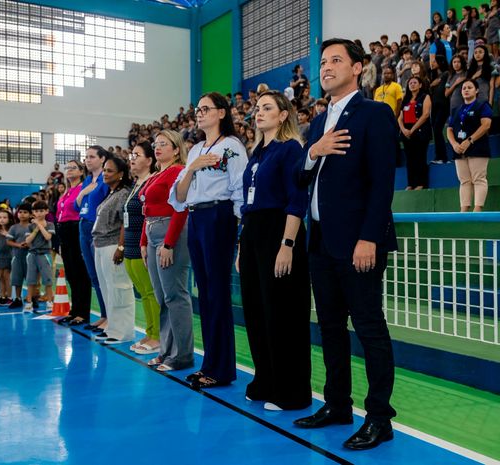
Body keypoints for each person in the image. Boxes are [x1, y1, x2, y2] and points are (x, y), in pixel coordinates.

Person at [292, 38, 398, 452]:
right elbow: (301, 178)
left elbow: (382, 181)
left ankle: (379, 417)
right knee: (331, 328)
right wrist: (312, 152)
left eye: (336, 60)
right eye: (322, 62)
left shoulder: (374, 113)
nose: (326, 67)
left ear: (358, 67)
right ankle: (337, 405)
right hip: (321, 242)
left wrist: (369, 236)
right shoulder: (318, 122)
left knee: (369, 328)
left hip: (359, 242)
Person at [238, 90, 312, 412]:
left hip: (279, 231)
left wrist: (287, 244)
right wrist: (242, 244)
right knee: (256, 310)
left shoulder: (290, 148)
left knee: (284, 313)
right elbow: (247, 204)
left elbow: (297, 199)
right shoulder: (257, 153)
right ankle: (265, 378)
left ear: (283, 115)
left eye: (267, 107)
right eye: (257, 108)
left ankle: (292, 391)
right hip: (254, 232)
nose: (259, 112)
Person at [171, 92, 248, 389]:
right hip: (197, 216)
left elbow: (239, 191)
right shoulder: (196, 150)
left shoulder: (231, 147)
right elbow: (179, 195)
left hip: (219, 216)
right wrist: (192, 167)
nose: (199, 113)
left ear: (221, 113)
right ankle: (210, 364)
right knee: (204, 294)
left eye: (206, 109)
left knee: (217, 294)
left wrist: (242, 234)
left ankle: (222, 368)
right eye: (197, 109)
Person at [141, 130, 194, 372]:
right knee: (162, 297)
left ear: (176, 148)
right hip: (152, 232)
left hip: (169, 231)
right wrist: (143, 242)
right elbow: (146, 209)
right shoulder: (156, 175)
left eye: (164, 144)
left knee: (175, 295)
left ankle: (182, 355)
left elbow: (180, 207)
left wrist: (169, 243)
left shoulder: (178, 171)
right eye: (156, 144)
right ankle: (166, 350)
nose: (158, 147)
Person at [121, 142, 160, 355]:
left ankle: (158, 336)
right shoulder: (137, 183)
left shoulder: (151, 181)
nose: (132, 158)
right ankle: (150, 332)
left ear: (149, 160)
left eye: (137, 155)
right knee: (144, 293)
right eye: (131, 155)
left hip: (142, 244)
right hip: (130, 244)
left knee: (151, 292)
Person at [92, 157, 135, 345]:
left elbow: (125, 223)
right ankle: (112, 327)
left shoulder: (124, 194)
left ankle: (123, 332)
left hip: (112, 245)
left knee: (119, 288)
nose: (105, 174)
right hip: (100, 245)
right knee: (108, 289)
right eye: (104, 170)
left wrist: (121, 246)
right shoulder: (111, 193)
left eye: (110, 171)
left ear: (121, 174)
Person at [447, 79, 494, 212]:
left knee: (478, 178)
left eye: (470, 87)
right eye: (464, 88)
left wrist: (470, 140)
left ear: (476, 90)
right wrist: (454, 144)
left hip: (477, 147)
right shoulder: (456, 109)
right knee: (464, 180)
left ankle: (478, 209)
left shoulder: (482, 105)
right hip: (459, 149)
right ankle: (464, 209)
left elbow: (486, 125)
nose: (466, 90)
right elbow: (449, 129)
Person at [77, 146, 110, 330]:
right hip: (83, 225)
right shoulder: (88, 180)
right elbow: (77, 206)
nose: (87, 160)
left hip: (98, 228)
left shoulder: (106, 179)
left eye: (91, 157)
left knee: (103, 274)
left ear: (102, 158)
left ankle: (110, 316)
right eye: (86, 157)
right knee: (94, 275)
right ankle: (104, 315)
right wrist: (83, 192)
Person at [56, 160, 92, 326]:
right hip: (63, 232)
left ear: (81, 171)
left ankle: (83, 313)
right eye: (67, 168)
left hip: (75, 229)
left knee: (80, 273)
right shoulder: (66, 192)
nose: (69, 170)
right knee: (70, 274)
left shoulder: (83, 188)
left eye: (73, 168)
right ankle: (74, 310)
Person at [399, 76, 433, 189]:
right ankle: (411, 183)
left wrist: (412, 129)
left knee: (420, 157)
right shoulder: (406, 98)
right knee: (410, 159)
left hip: (420, 131)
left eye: (415, 82)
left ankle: (421, 183)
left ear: (420, 85)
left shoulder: (425, 97)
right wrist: (404, 130)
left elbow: (426, 114)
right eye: (410, 83)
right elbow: (400, 117)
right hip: (406, 133)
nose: (412, 84)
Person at [24, 201, 55, 312]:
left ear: (46, 211)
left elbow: (47, 237)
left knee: (48, 279)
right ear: (33, 212)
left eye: (41, 210)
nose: (39, 213)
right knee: (31, 280)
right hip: (32, 254)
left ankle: (50, 301)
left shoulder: (50, 224)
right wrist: (36, 227)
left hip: (45, 254)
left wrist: (39, 225)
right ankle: (29, 302)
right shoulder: (30, 226)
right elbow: (27, 240)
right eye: (36, 211)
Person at [429, 54, 451, 164]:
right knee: (435, 130)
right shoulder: (433, 77)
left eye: (434, 61)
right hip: (434, 106)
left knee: (438, 129)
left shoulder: (446, 74)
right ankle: (438, 156)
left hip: (443, 105)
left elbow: (444, 91)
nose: (432, 63)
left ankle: (442, 157)